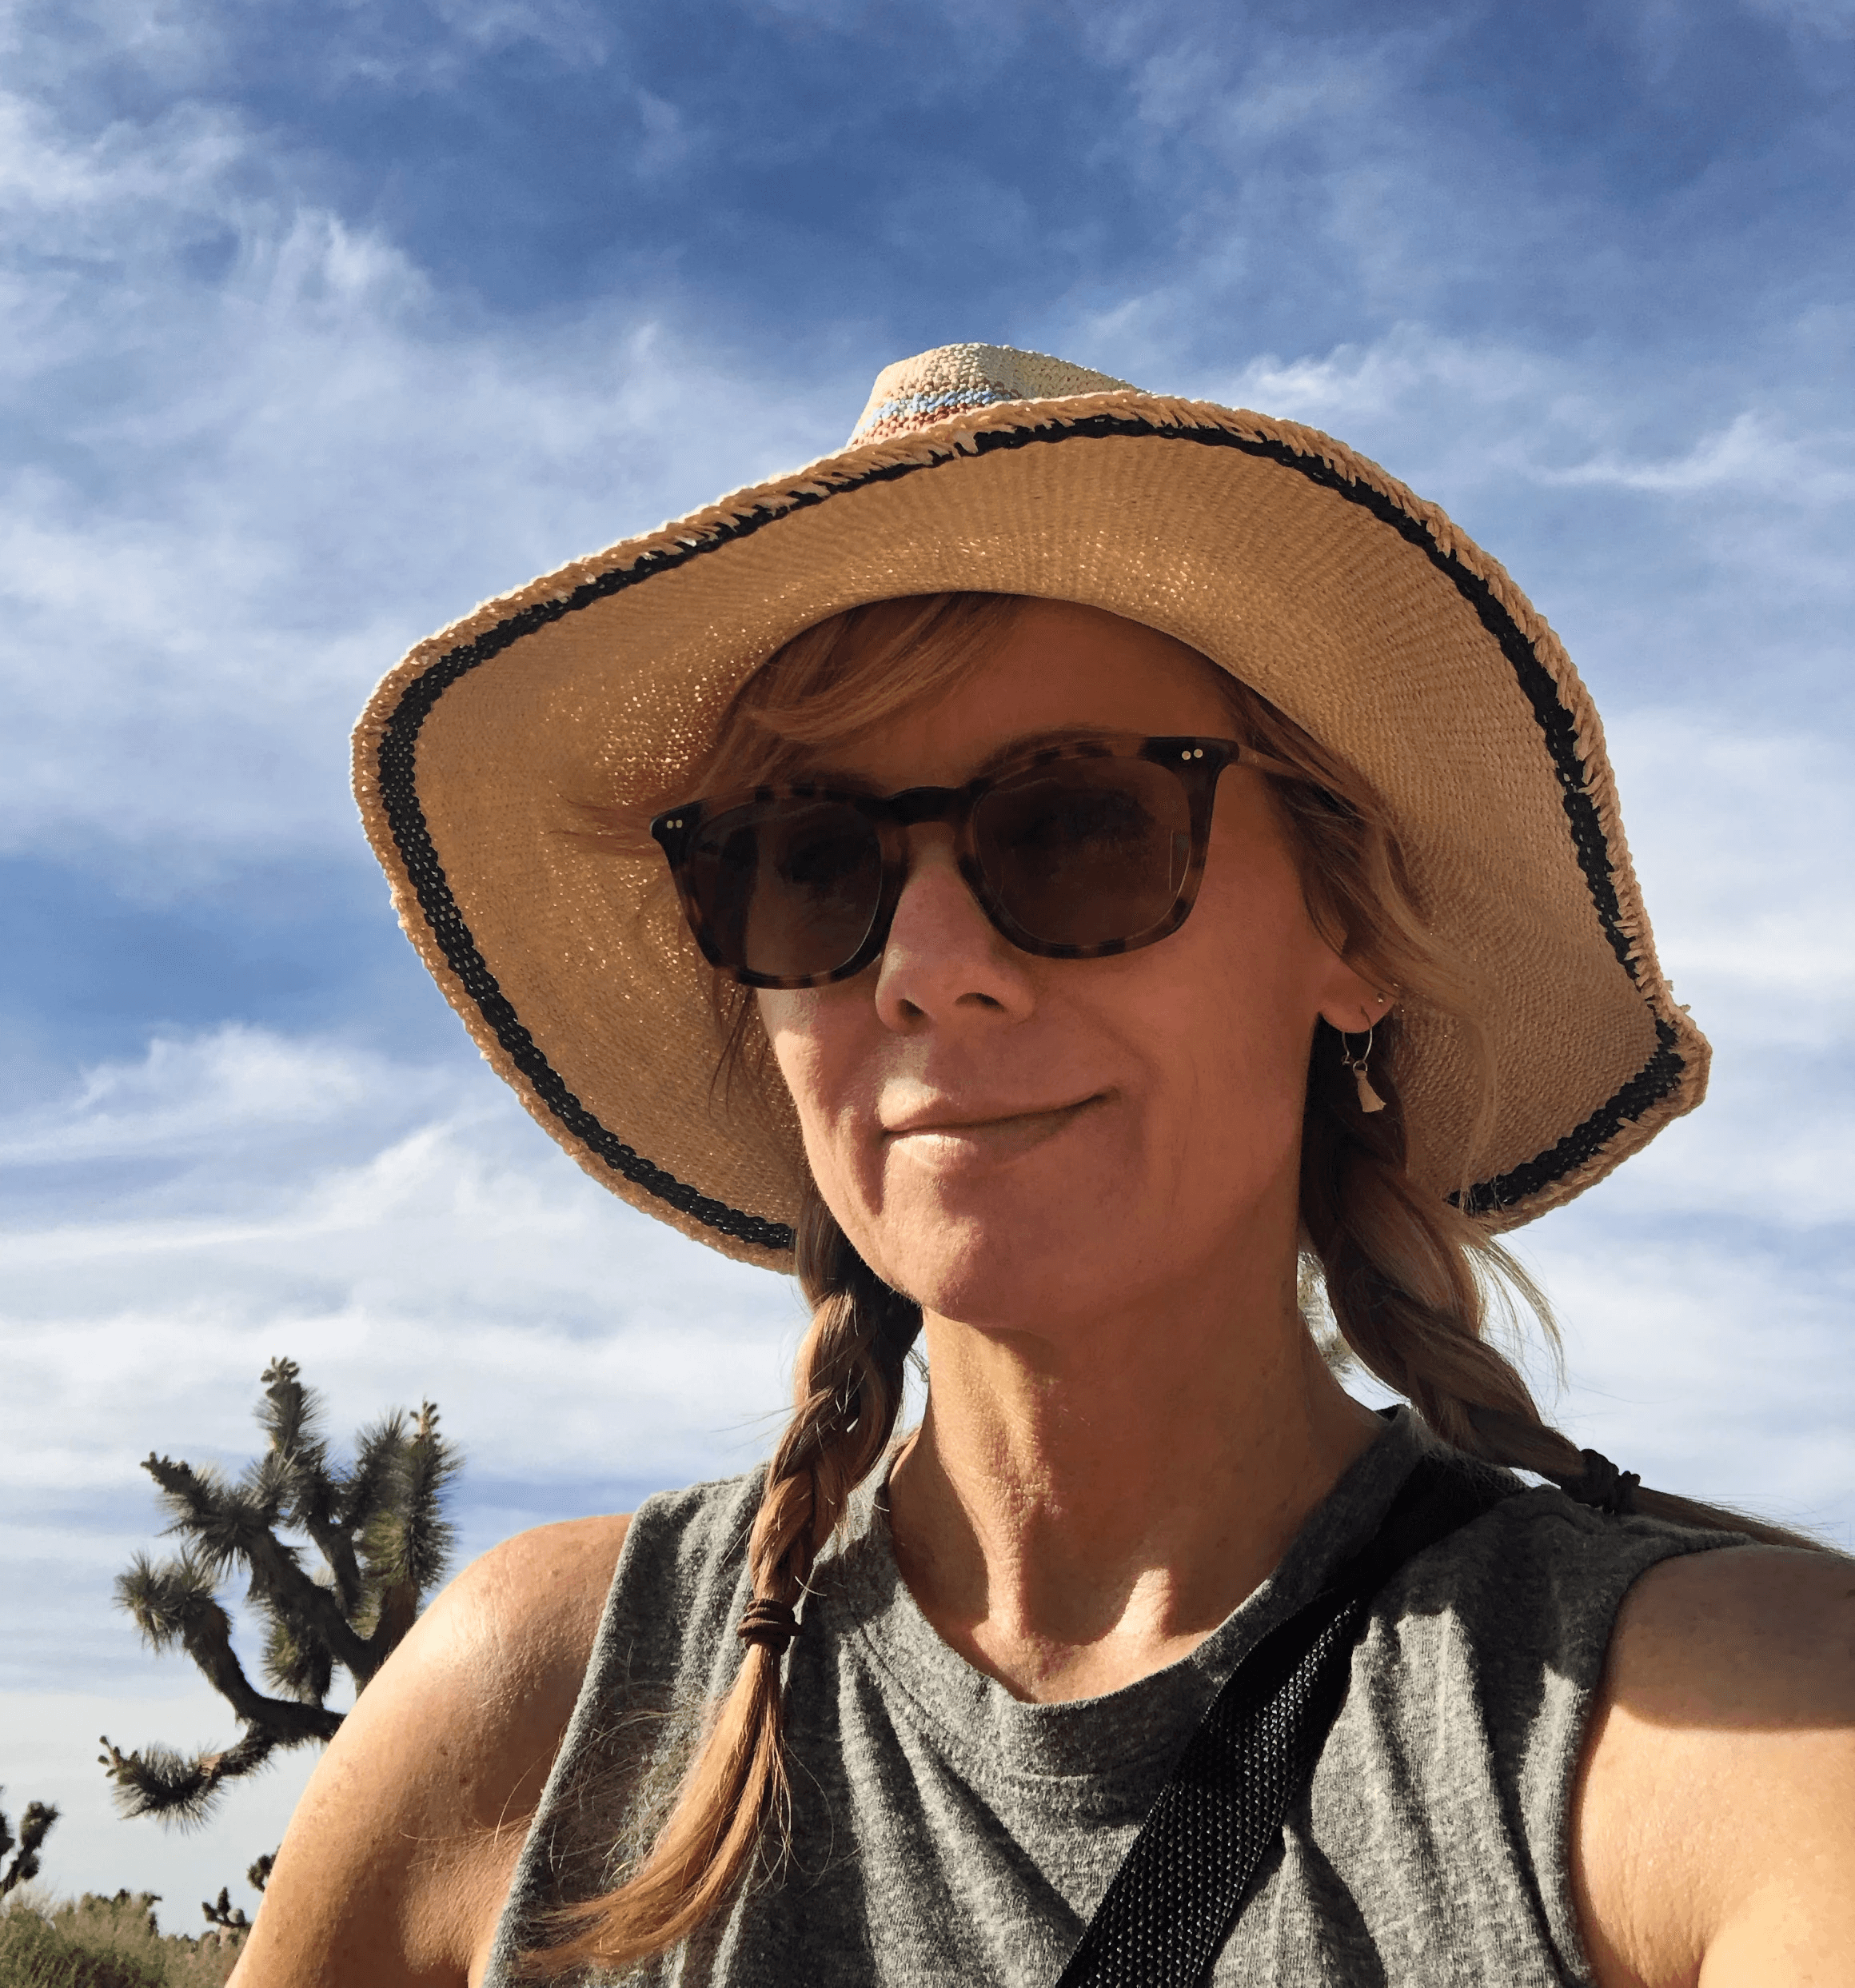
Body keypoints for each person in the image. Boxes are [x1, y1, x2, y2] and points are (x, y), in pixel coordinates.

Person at [234, 345, 1853, 1987]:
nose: (926, 966)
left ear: (1350, 932)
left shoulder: (1731, 1731)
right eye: (813, 862)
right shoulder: (531, 1711)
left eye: (1079, 825)